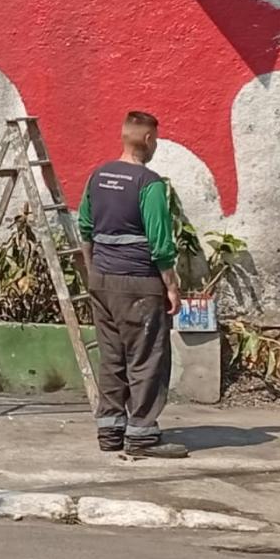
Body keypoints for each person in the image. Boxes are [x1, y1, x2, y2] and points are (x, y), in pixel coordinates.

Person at [77, 111, 187, 459]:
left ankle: (110, 431)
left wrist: (96, 273)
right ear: (150, 140)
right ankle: (141, 435)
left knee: (112, 357)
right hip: (139, 283)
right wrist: (171, 285)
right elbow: (160, 242)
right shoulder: (149, 183)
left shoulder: (98, 175)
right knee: (147, 358)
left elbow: (84, 228)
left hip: (103, 280)